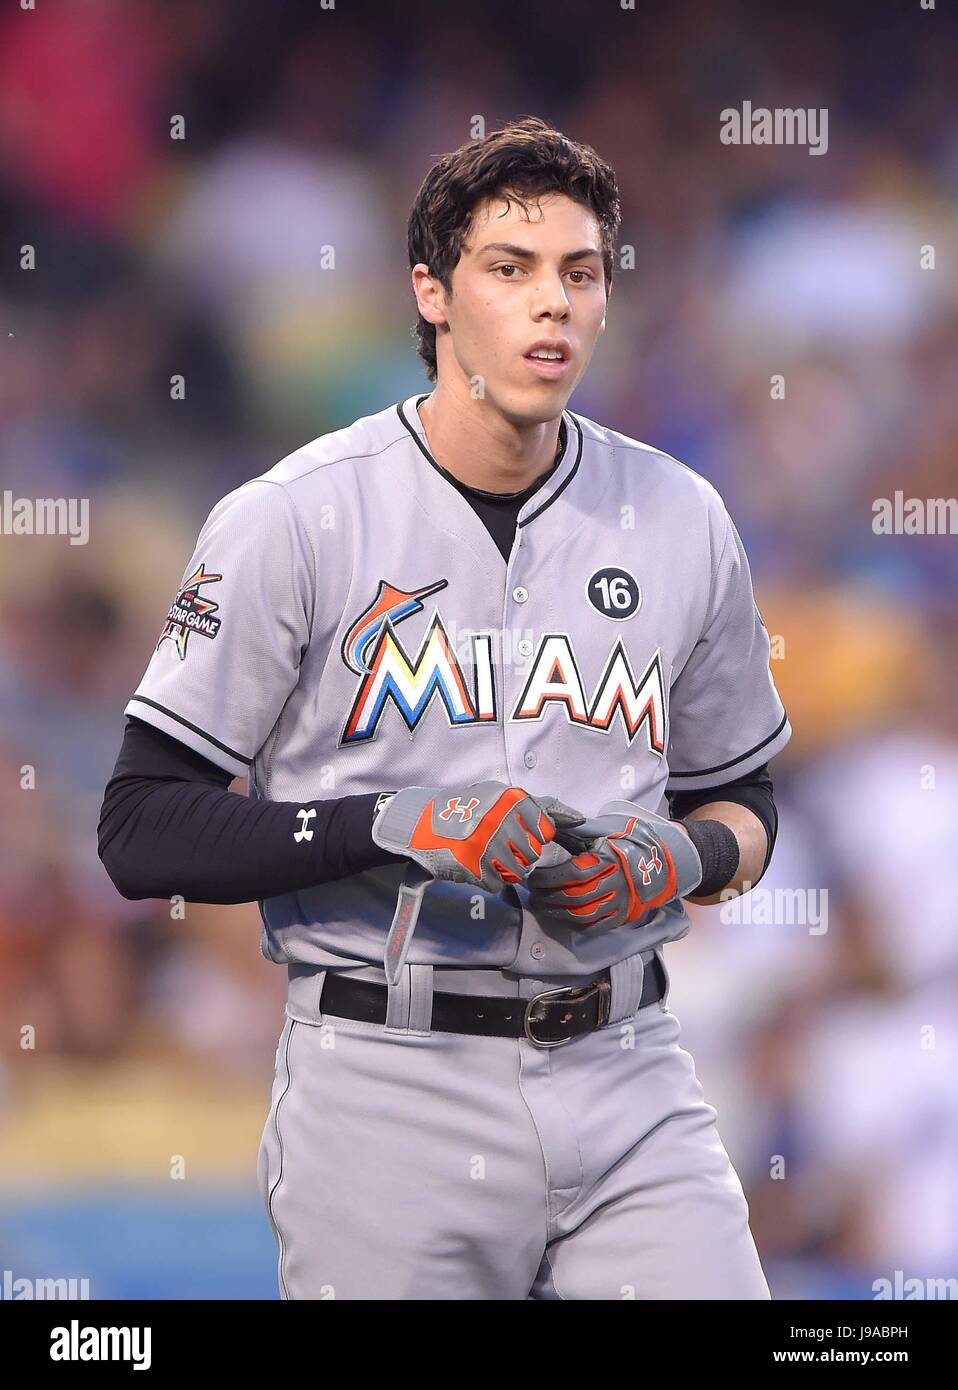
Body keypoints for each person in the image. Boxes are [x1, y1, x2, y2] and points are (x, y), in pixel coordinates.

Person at [98, 116, 789, 1300]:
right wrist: (390, 823)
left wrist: (675, 856)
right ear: (431, 291)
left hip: (630, 1068)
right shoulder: (294, 516)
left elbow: (748, 799)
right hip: (387, 1080)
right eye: (509, 271)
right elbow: (139, 827)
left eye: (580, 273)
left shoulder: (680, 515)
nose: (552, 306)